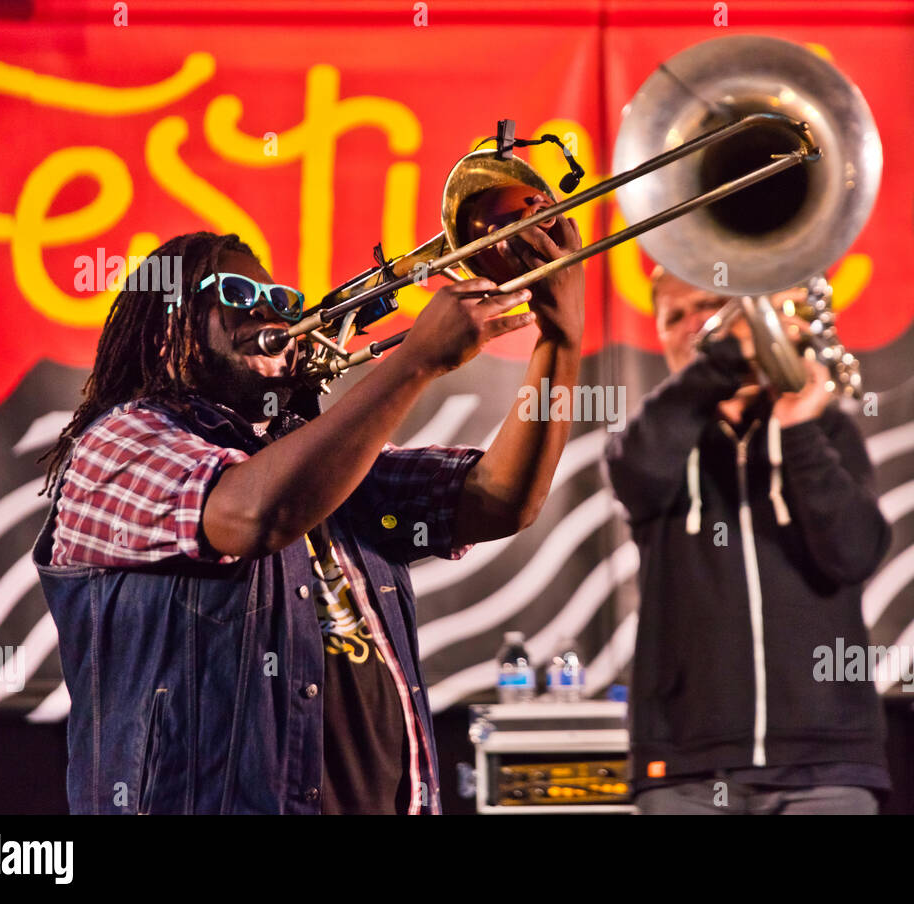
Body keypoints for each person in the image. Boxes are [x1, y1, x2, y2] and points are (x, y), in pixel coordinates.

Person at [33, 221, 583, 815]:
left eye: (280, 301)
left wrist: (561, 338)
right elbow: (252, 518)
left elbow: (500, 498)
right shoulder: (117, 443)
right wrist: (415, 364)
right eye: (238, 296)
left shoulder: (327, 462)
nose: (269, 314)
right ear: (169, 329)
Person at [603, 267, 892, 815]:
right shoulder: (654, 435)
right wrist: (722, 362)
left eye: (712, 304)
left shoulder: (826, 427)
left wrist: (799, 430)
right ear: (660, 335)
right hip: (685, 763)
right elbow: (635, 474)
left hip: (825, 762)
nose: (697, 324)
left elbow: (855, 552)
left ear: (745, 312)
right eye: (675, 316)